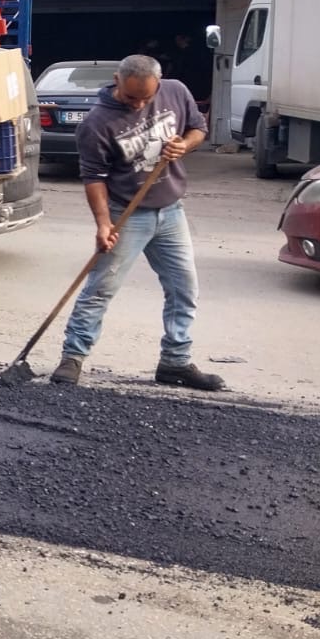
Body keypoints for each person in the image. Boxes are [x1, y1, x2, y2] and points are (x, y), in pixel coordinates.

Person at [47, 53, 223, 391]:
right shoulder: (97, 123)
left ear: (159, 83)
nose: (140, 103)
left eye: (147, 97)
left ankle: (175, 362)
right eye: (131, 97)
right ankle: (73, 357)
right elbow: (94, 178)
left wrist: (183, 145)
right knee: (100, 289)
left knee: (184, 289)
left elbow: (198, 129)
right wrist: (102, 223)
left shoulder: (174, 91)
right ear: (117, 80)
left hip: (171, 210)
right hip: (125, 212)